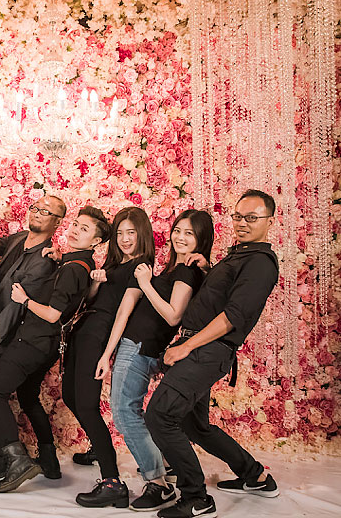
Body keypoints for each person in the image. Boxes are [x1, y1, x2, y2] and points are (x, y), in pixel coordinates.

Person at [145, 190, 281, 518]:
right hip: (202, 348)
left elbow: (234, 315)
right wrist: (208, 271)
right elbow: (220, 297)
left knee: (159, 415)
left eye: (252, 218)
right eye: (238, 216)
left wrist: (185, 347)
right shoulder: (239, 255)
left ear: (270, 221)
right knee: (195, 426)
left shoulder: (259, 263)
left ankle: (196, 498)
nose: (243, 223)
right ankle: (255, 476)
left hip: (206, 351)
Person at [0, 206, 110, 494]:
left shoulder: (74, 268)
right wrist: (60, 259)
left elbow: (53, 314)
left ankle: (17, 461)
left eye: (85, 229)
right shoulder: (79, 264)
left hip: (33, 341)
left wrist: (24, 299)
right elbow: (78, 296)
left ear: (97, 241)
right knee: (27, 396)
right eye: (76, 224)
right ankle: (48, 459)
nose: (75, 230)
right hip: (48, 345)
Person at [98, 209, 211, 511]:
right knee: (130, 412)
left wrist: (146, 283)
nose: (180, 237)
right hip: (140, 347)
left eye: (189, 233)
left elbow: (174, 315)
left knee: (125, 413)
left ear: (200, 239)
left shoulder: (186, 271)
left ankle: (158, 484)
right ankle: (160, 472)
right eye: (178, 230)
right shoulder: (178, 269)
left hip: (139, 347)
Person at [0, 195, 65, 481]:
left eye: (45, 211)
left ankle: (5, 457)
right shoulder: (19, 238)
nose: (37, 213)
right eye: (35, 207)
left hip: (5, 333)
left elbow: (17, 305)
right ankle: (5, 451)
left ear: (57, 222)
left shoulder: (45, 260)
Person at [64, 206, 155, 508]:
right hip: (84, 329)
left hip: (99, 336)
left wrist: (106, 354)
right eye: (120, 233)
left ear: (142, 234)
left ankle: (112, 481)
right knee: (70, 396)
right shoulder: (115, 263)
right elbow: (92, 298)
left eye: (132, 233)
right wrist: (96, 281)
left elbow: (123, 314)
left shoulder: (140, 267)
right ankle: (99, 446)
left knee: (87, 405)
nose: (125, 239)